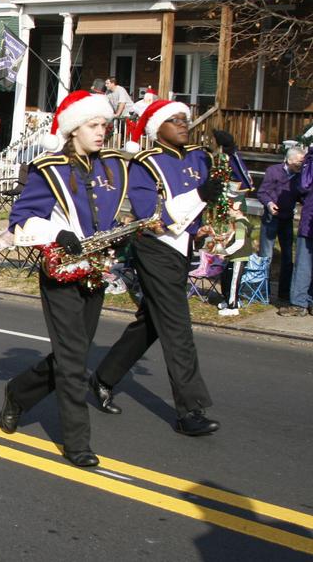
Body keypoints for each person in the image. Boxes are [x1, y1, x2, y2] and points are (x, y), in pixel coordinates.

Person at [89, 100, 251, 436]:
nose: (183, 124)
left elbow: (237, 184)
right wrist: (199, 198)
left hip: (184, 247)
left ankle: (103, 377)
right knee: (177, 326)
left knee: (152, 323)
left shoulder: (199, 155)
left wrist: (229, 154)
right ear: (156, 128)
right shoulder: (145, 164)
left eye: (185, 119)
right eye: (174, 120)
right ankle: (190, 410)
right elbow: (152, 214)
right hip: (156, 248)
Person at [0, 90, 128, 467]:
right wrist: (58, 235)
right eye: (93, 125)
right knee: (73, 361)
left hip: (96, 272)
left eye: (104, 124)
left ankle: (20, 393)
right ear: (73, 130)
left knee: (73, 353)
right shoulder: (50, 166)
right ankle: (78, 442)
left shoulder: (112, 166)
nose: (102, 131)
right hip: (61, 270)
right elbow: (21, 218)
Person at [258, 147, 304, 301]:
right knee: (267, 255)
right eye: (299, 161)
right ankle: (263, 291)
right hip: (271, 218)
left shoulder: (300, 176)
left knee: (287, 257)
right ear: (289, 160)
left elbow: (301, 196)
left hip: (287, 219)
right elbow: (262, 192)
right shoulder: (273, 171)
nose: (301, 164)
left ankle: (284, 293)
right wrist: (270, 204)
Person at [279, 148, 313, 317]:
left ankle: (300, 303)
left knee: (304, 264)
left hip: (309, 220)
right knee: (304, 264)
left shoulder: (310, 161)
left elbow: (303, 186)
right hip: (309, 220)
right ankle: (305, 301)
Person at [217, 192, 255, 317]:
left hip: (238, 257)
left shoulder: (239, 223)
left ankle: (232, 307)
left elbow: (239, 243)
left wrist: (224, 252)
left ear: (237, 209)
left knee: (234, 282)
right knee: (228, 278)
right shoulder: (242, 222)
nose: (228, 210)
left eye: (230, 207)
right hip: (236, 257)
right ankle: (230, 301)